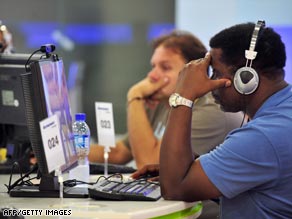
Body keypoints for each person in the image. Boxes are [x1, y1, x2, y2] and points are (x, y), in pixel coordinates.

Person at [132, 21, 292, 218]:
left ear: (246, 77)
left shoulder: (264, 135)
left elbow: (174, 188)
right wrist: (197, 166)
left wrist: (184, 94)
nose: (210, 85)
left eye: (216, 73)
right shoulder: (283, 115)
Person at [89, 30, 243, 170]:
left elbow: (150, 163)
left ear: (193, 71)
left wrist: (134, 97)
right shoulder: (163, 101)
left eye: (165, 67)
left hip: (203, 201)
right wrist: (71, 151)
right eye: (153, 66)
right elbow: (119, 152)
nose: (152, 75)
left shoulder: (211, 110)